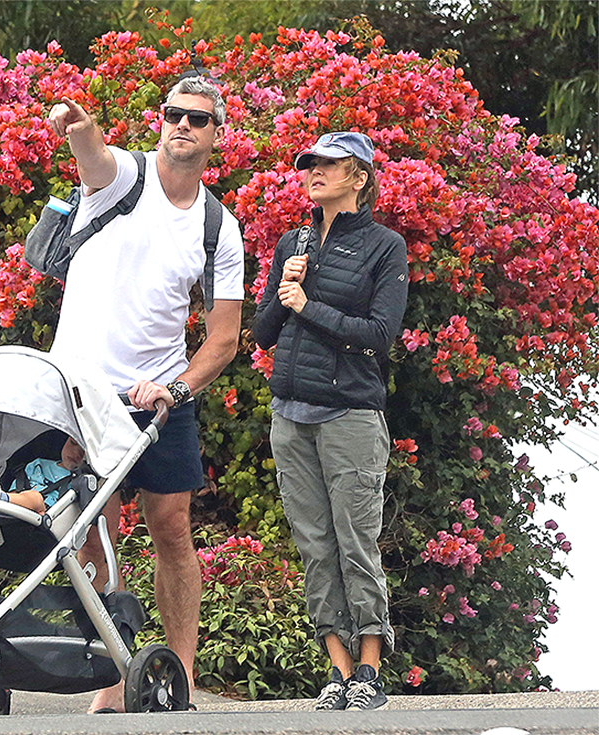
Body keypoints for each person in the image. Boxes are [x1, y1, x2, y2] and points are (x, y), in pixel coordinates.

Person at [45, 75, 245, 712]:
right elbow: (93, 158)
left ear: (218, 136)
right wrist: (79, 131)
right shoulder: (123, 178)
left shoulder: (219, 226)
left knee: (172, 526)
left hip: (159, 393)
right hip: (83, 390)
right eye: (173, 114)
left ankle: (177, 681)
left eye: (197, 118)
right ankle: (113, 679)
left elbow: (223, 339)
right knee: (95, 533)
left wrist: (175, 388)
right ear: (160, 120)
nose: (182, 125)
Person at [252, 132, 408, 711]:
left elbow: (378, 335)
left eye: (327, 165)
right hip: (290, 416)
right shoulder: (292, 241)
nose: (313, 172)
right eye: (309, 164)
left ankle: (369, 670)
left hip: (350, 416)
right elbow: (265, 334)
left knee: (354, 541)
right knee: (314, 546)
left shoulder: (384, 247)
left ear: (359, 177)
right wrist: (283, 288)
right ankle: (337, 671)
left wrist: (306, 304)